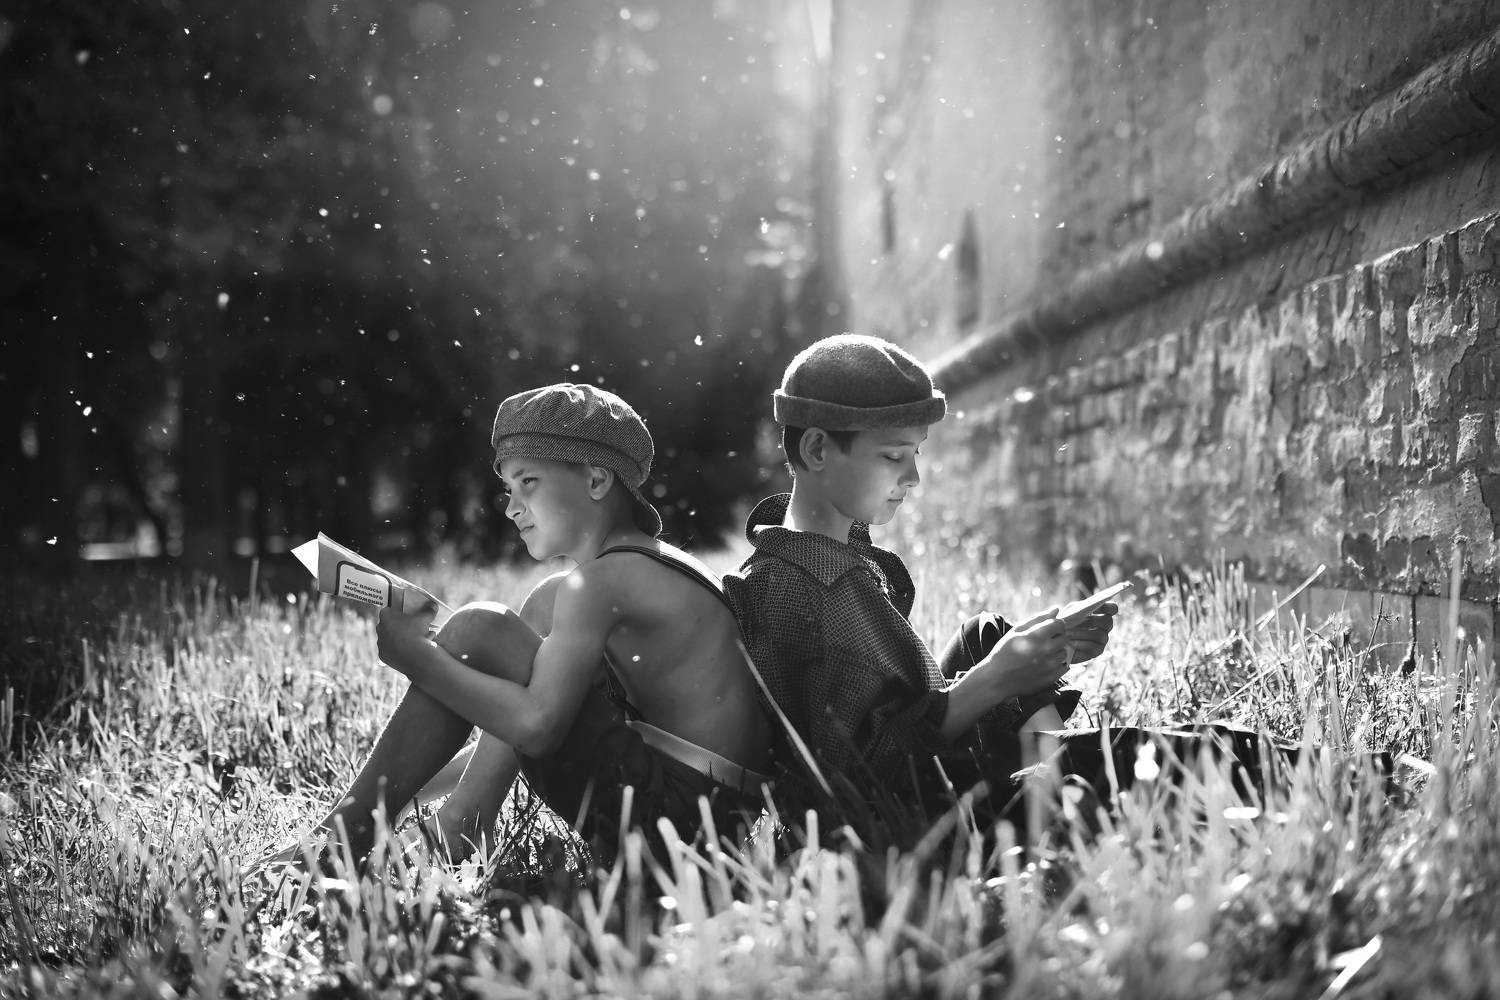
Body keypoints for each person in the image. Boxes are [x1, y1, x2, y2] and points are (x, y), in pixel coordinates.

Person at [265, 383, 773, 872]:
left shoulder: (602, 583)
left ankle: (348, 836)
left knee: (478, 629)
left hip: (682, 820)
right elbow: (514, 734)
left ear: (597, 481)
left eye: (528, 481)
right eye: (508, 488)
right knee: (534, 608)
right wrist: (406, 791)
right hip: (708, 816)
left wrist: (416, 658)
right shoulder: (635, 567)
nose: (510, 506)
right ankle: (457, 818)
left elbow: (538, 727)